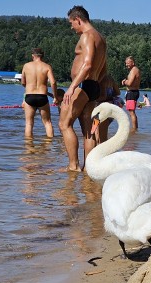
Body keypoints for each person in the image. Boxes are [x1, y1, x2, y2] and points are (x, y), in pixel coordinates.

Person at [60, 5, 107, 172]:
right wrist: (95, 84)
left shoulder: (87, 36)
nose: (71, 27)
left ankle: (73, 166)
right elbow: (104, 69)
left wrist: (72, 87)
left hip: (82, 85)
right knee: (89, 131)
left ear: (78, 19)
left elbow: (86, 65)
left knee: (64, 124)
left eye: (71, 23)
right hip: (93, 86)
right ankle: (89, 168)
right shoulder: (100, 38)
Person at [21, 47, 57, 138]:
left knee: (29, 123)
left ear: (33, 56)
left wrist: (29, 87)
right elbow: (53, 82)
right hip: (42, 96)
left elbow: (23, 82)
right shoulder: (47, 66)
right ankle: (49, 144)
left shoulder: (26, 66)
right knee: (47, 122)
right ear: (42, 56)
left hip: (29, 96)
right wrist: (55, 97)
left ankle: (29, 146)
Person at [121, 56, 141, 129]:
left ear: (133, 62)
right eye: (126, 63)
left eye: (128, 63)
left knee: (131, 112)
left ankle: (134, 129)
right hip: (133, 92)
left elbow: (129, 83)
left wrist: (124, 81)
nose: (126, 65)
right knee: (131, 112)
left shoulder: (134, 70)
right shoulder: (135, 70)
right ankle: (135, 129)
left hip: (132, 93)